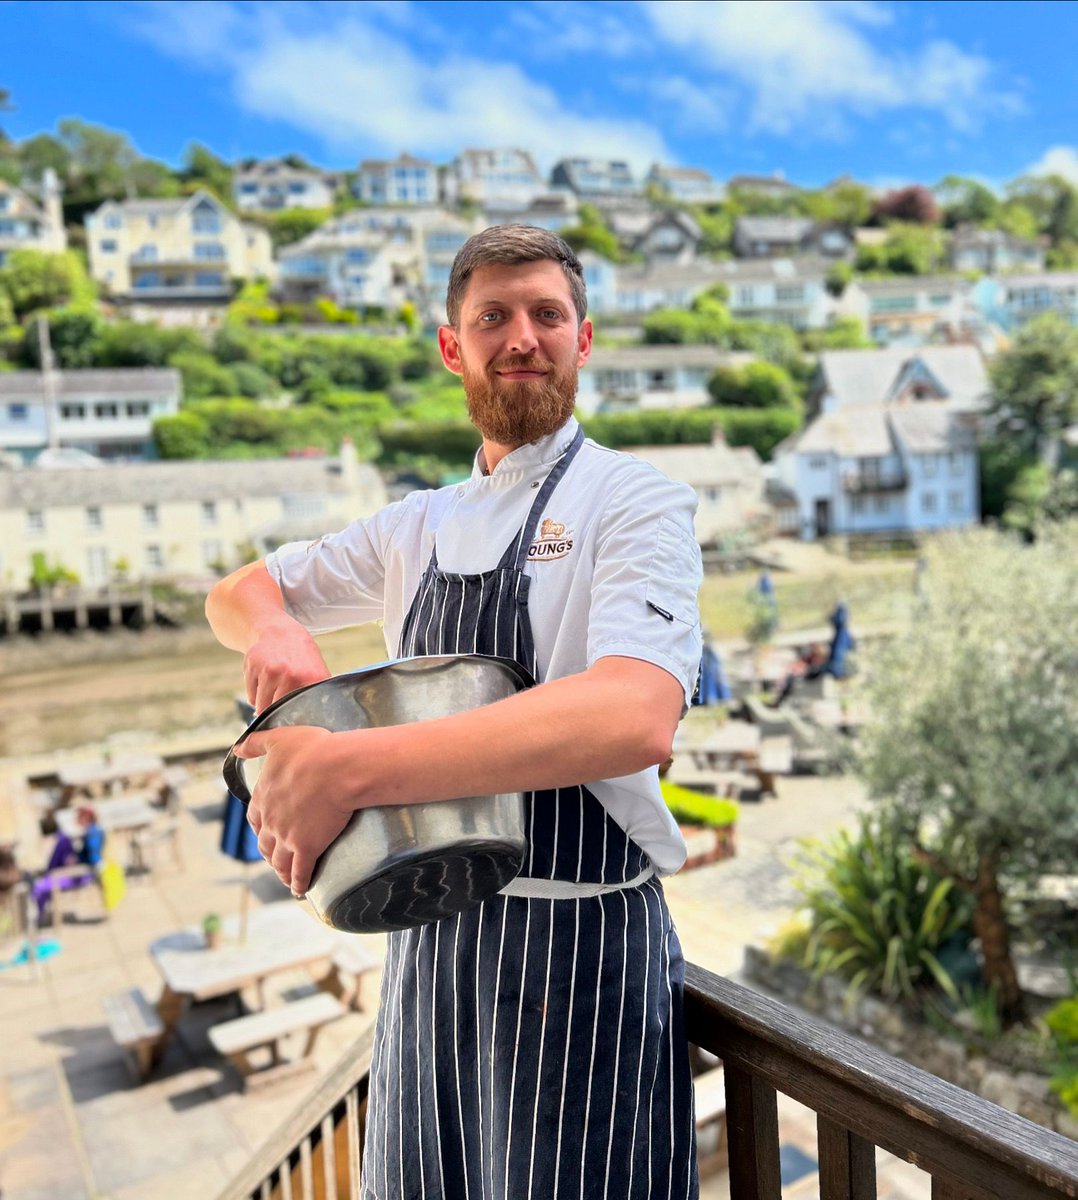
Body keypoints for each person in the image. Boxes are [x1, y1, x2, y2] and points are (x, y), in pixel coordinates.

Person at [206, 225, 704, 1199]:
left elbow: (633, 713)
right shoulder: (415, 524)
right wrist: (273, 632)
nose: (522, 336)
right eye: (493, 317)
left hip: (583, 960)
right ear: (453, 348)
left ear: (583, 340)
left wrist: (355, 767)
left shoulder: (635, 501)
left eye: (546, 315)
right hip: (428, 942)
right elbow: (236, 591)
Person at [30, 805, 105, 922]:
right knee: (41, 885)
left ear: (85, 817)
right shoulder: (88, 833)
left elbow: (93, 857)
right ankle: (39, 917)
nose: (76, 819)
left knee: (40, 887)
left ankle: (38, 919)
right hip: (78, 872)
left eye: (78, 817)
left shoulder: (92, 833)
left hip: (81, 875)